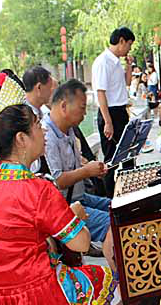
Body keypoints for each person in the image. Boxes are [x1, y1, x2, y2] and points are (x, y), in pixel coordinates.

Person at [0, 77, 146, 305]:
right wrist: (76, 215)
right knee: (102, 278)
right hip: (31, 294)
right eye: (37, 125)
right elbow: (80, 243)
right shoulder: (36, 189)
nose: (43, 132)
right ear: (21, 139)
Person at [43, 80, 111, 248]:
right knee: (112, 223)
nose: (85, 113)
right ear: (64, 106)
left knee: (117, 206)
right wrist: (86, 171)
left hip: (79, 196)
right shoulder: (47, 135)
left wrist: (90, 168)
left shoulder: (69, 129)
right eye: (82, 108)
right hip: (64, 206)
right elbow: (58, 180)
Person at [93, 27, 135, 196]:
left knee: (129, 155)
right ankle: (110, 198)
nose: (129, 49)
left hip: (120, 112)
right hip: (109, 113)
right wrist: (108, 121)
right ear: (121, 41)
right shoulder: (103, 62)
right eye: (129, 44)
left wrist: (129, 66)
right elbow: (100, 92)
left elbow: (127, 83)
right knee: (111, 159)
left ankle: (130, 192)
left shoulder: (116, 61)